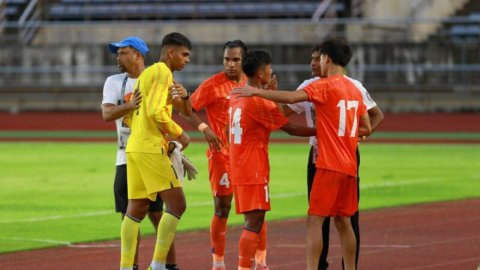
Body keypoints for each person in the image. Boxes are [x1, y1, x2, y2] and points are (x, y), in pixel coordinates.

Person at [232, 39, 372, 270]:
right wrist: (341, 133)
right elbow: (365, 126)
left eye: (320, 59)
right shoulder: (354, 89)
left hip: (328, 165)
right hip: (350, 164)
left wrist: (256, 91)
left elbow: (291, 99)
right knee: (344, 221)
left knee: (315, 221)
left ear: (326, 58)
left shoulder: (324, 85)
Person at [282, 44, 384, 269]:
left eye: (318, 58)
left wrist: (353, 136)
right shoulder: (309, 86)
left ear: (328, 60)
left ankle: (345, 265)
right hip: (320, 153)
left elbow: (376, 115)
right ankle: (323, 265)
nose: (313, 63)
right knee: (326, 218)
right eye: (311, 58)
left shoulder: (351, 85)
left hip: (336, 155)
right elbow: (283, 111)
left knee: (339, 217)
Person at [229, 50, 316, 270]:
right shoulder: (258, 101)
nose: (272, 71)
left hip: (239, 164)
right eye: (269, 68)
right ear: (260, 73)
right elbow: (291, 128)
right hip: (253, 167)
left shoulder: (236, 94)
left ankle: (255, 265)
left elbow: (270, 117)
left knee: (254, 219)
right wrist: (324, 131)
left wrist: (269, 93)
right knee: (254, 222)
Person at [101, 36, 179, 270]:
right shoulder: (114, 82)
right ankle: (131, 266)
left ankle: (169, 265)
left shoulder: (156, 78)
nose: (118, 56)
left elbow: (170, 113)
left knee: (158, 215)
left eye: (123, 52)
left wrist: (183, 97)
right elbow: (106, 114)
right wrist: (129, 105)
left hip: (154, 153)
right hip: (125, 157)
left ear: (138, 54)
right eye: (117, 52)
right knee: (129, 214)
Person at [119, 32, 192, 270]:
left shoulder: (145, 74)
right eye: (184, 54)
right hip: (150, 148)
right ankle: (158, 266)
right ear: (171, 52)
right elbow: (157, 113)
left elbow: (131, 117)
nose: (187, 60)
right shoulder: (162, 72)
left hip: (134, 148)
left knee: (136, 209)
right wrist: (179, 134)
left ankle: (126, 267)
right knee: (177, 205)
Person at [179, 40, 248, 270]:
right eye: (227, 59)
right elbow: (185, 108)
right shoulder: (213, 85)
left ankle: (259, 261)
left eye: (235, 59)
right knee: (223, 208)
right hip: (221, 155)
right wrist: (203, 128)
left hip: (247, 157)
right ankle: (218, 262)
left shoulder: (251, 84)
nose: (230, 64)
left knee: (255, 209)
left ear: (243, 61)